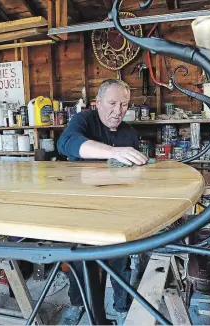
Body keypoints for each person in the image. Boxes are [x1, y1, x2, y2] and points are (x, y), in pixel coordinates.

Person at [57, 79, 148, 325]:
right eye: (112, 103)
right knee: (78, 259)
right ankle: (78, 304)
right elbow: (65, 143)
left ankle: (121, 307)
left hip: (118, 206)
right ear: (97, 102)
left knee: (120, 261)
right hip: (84, 206)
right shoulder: (84, 120)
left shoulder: (130, 133)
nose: (118, 111)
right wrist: (112, 152)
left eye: (124, 105)